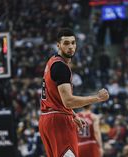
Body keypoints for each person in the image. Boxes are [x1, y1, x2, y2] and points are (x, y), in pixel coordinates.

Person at [38, 28, 109, 157]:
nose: (70, 47)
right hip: (58, 121)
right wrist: (97, 98)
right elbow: (68, 101)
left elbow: (57, 98)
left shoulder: (52, 61)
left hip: (47, 119)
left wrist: (73, 115)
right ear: (58, 45)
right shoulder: (61, 67)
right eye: (66, 43)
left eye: (73, 42)